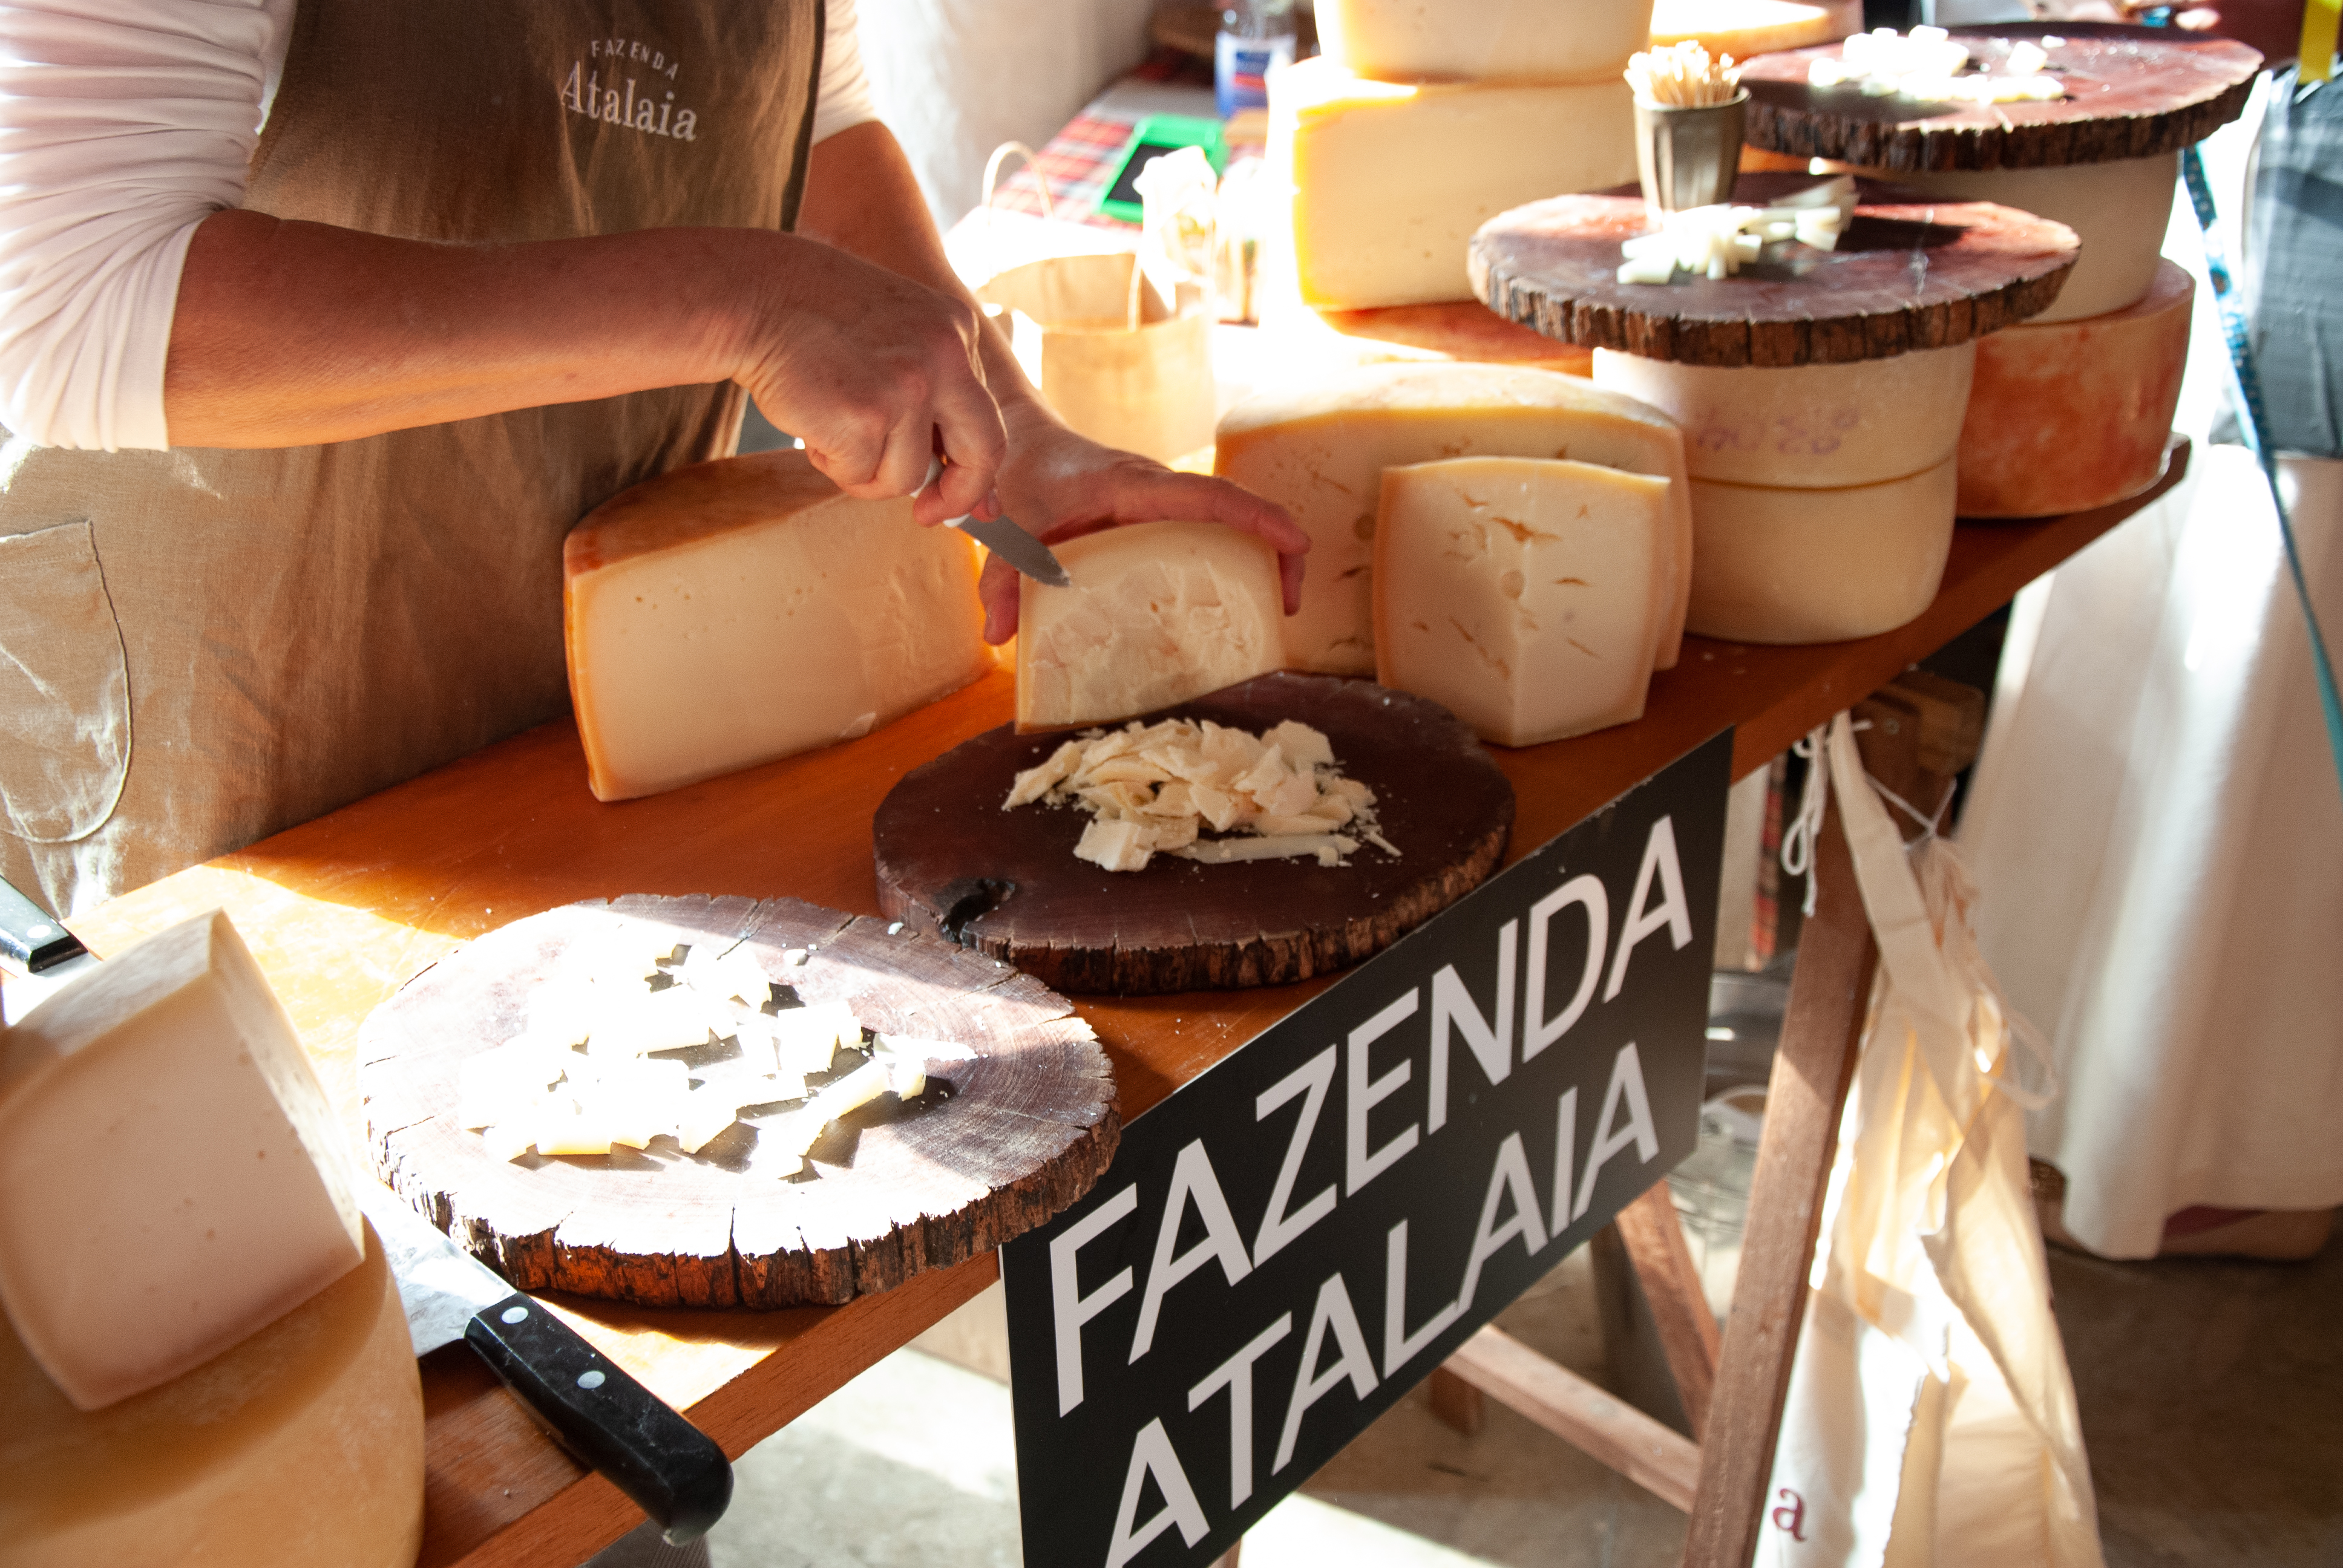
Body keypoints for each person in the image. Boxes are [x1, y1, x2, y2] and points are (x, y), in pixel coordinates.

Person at [0, 0, 1308, 918]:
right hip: (228, 730)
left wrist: (1009, 435)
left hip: (570, 708)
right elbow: (66, 299)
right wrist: (747, 299)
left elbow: (807, 121)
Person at [1961, 0, 2342, 1260]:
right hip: (2223, 135)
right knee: (2139, 565)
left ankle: (2233, 1149)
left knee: (2266, 631)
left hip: (2311, 180)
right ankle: (2087, 1101)